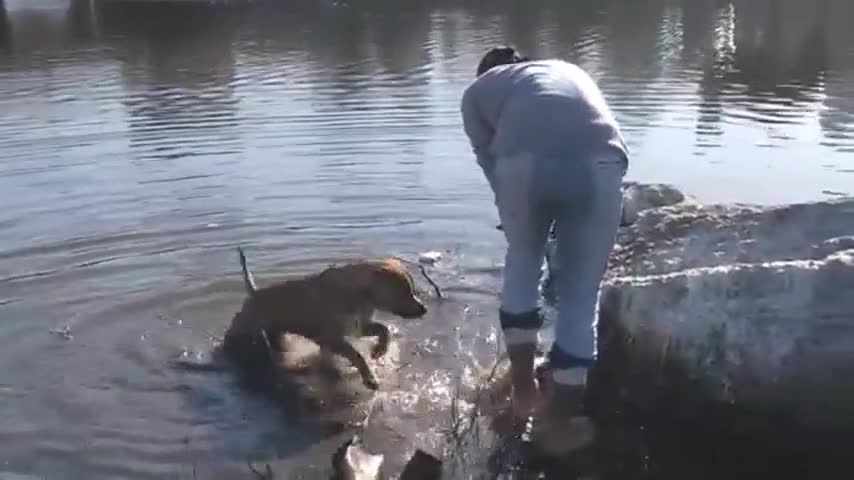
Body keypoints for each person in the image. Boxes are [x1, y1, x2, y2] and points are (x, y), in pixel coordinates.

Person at [460, 46, 629, 454]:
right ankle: (561, 424)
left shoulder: (477, 92)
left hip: (523, 163)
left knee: (522, 259)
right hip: (603, 162)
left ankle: (523, 395)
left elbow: (490, 164)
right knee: (581, 293)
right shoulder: (565, 70)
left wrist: (521, 223)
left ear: (488, 73)